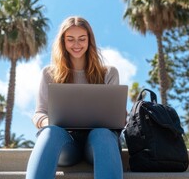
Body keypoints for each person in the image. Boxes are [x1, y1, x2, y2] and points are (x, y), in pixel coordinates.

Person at [26, 16, 123, 179]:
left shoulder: (109, 73)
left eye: (82, 39)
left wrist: (120, 117)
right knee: (50, 132)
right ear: (63, 42)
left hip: (99, 145)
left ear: (89, 40)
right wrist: (49, 123)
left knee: (103, 134)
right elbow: (39, 113)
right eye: (70, 39)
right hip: (66, 144)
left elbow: (116, 117)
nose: (76, 44)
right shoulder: (49, 74)